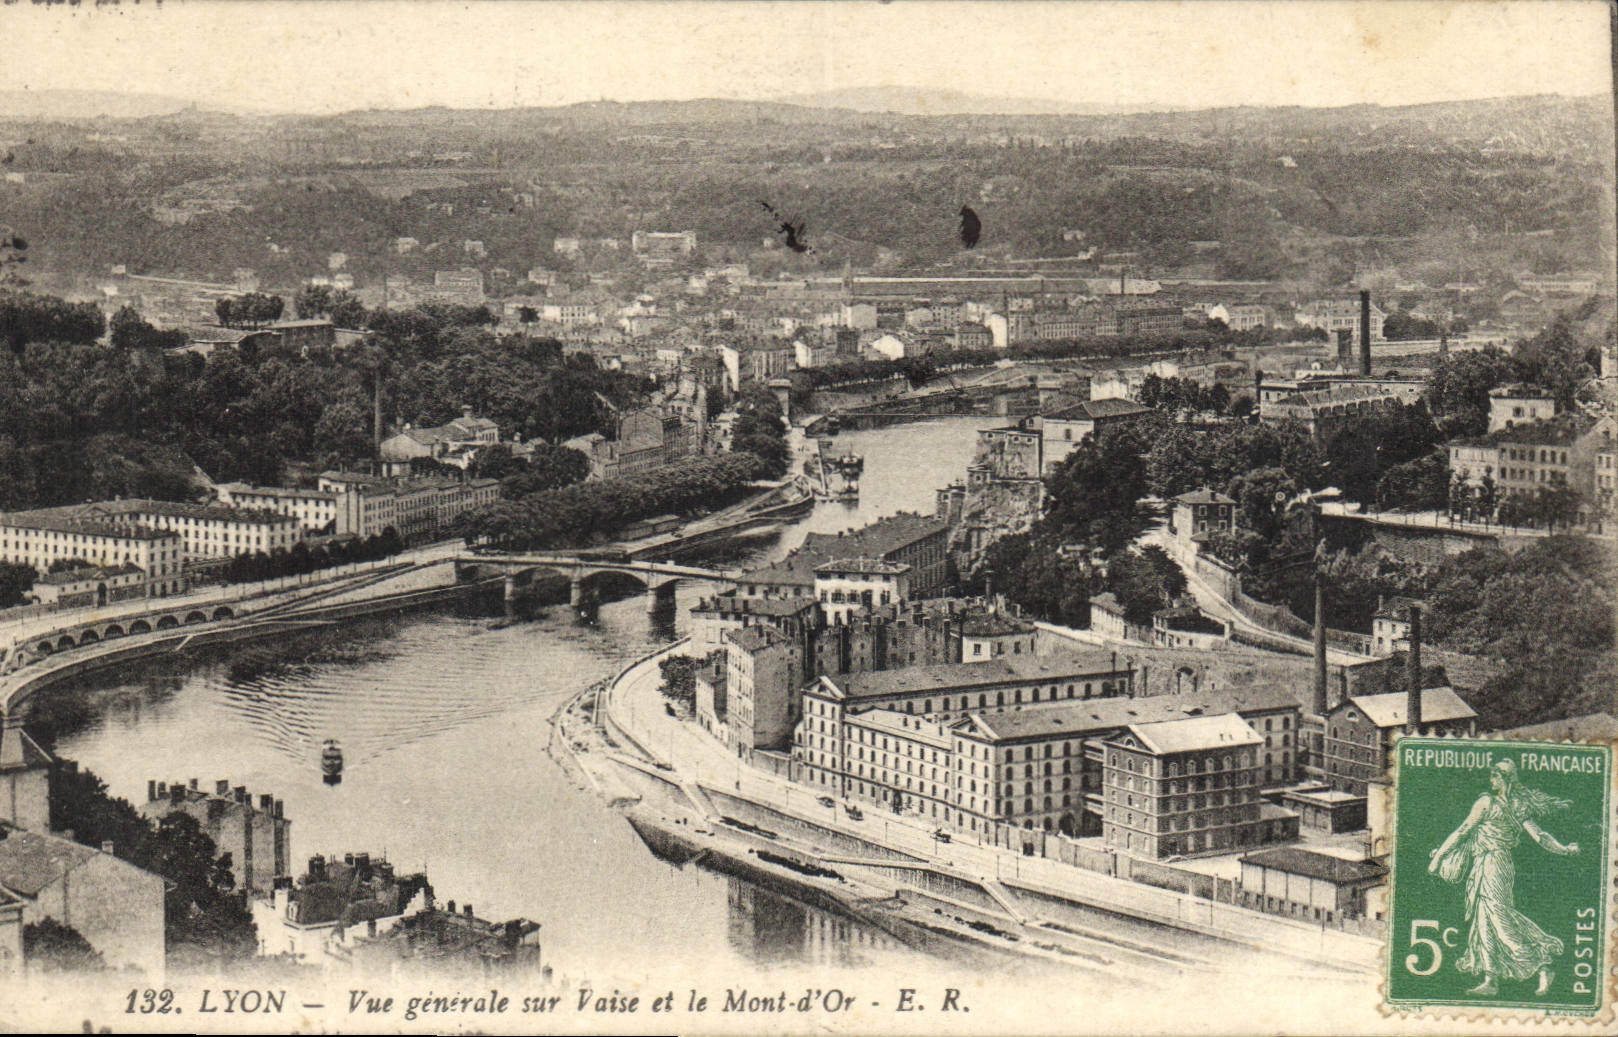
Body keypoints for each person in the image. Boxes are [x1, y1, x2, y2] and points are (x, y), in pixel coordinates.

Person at [1429, 758, 1580, 996]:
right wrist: (1564, 849)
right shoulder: (1516, 805)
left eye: (1494, 776)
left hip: (1494, 864)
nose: (1491, 780)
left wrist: (1438, 858)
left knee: (1500, 918)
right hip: (1488, 864)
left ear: (1504, 778)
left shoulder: (1487, 803)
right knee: (1484, 921)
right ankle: (1491, 980)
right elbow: (1540, 836)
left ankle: (1542, 965)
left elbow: (1463, 830)